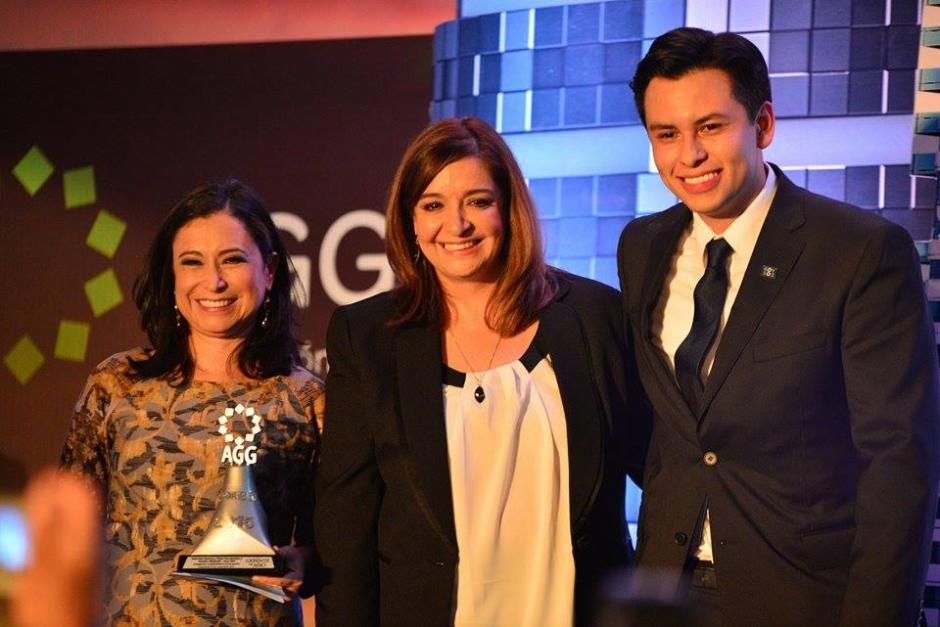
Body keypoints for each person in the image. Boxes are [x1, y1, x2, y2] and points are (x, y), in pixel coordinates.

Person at [617, 27, 940, 626]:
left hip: (808, 600)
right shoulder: (642, 245)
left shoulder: (860, 251)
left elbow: (898, 468)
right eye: (667, 135)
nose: (688, 155)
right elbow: (667, 432)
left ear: (762, 125)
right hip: (667, 595)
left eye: (711, 127)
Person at [314, 116, 649, 627]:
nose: (458, 225)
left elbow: (660, 469)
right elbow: (347, 523)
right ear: (409, 221)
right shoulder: (367, 335)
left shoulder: (595, 315)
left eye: (478, 201)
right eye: (433, 205)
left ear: (508, 210)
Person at [60, 179, 322, 625]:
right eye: (192, 262)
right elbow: (68, 532)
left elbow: (333, 544)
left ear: (270, 270)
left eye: (233, 260)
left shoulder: (305, 399)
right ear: (173, 276)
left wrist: (304, 562)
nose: (213, 282)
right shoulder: (117, 384)